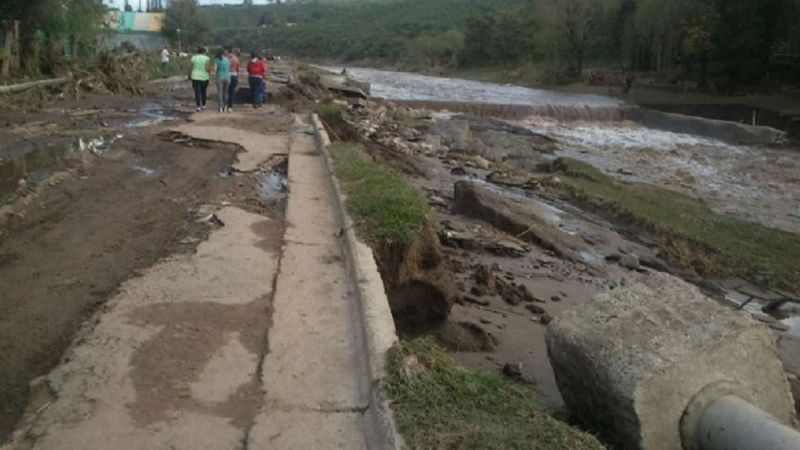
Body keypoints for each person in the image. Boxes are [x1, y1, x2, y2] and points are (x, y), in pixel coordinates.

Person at [189, 47, 211, 111]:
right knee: (203, 91)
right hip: (204, 77)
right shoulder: (206, 58)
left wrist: (189, 75)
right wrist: (209, 73)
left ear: (197, 51)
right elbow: (207, 68)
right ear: (204, 52)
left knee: (197, 92)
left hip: (195, 76)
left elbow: (191, 67)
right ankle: (204, 105)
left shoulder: (193, 58)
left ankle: (198, 106)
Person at [214, 48, 231, 113]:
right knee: (226, 93)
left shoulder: (216, 60)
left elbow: (215, 69)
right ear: (224, 53)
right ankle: (225, 107)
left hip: (220, 76)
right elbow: (228, 68)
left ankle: (220, 107)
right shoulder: (227, 60)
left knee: (220, 93)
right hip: (227, 77)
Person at [226, 46, 240, 112]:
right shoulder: (236, 58)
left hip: (226, 75)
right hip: (234, 75)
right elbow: (237, 69)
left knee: (225, 91)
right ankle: (230, 107)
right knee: (231, 91)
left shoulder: (224, 58)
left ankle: (224, 105)